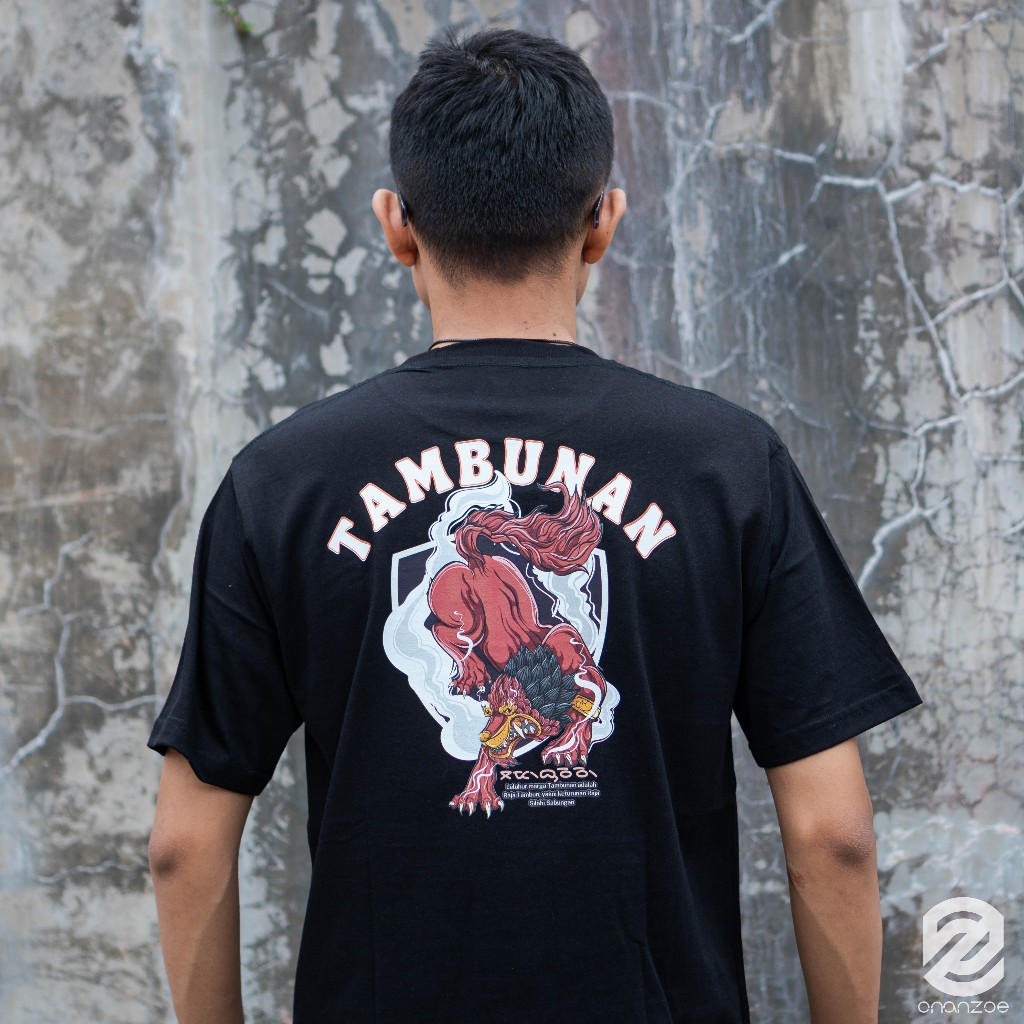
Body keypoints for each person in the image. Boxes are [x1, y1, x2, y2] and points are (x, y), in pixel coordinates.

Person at [146, 26, 923, 1024]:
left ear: (396, 225)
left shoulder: (282, 482)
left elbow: (184, 846)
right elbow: (833, 836)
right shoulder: (726, 466)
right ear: (604, 221)